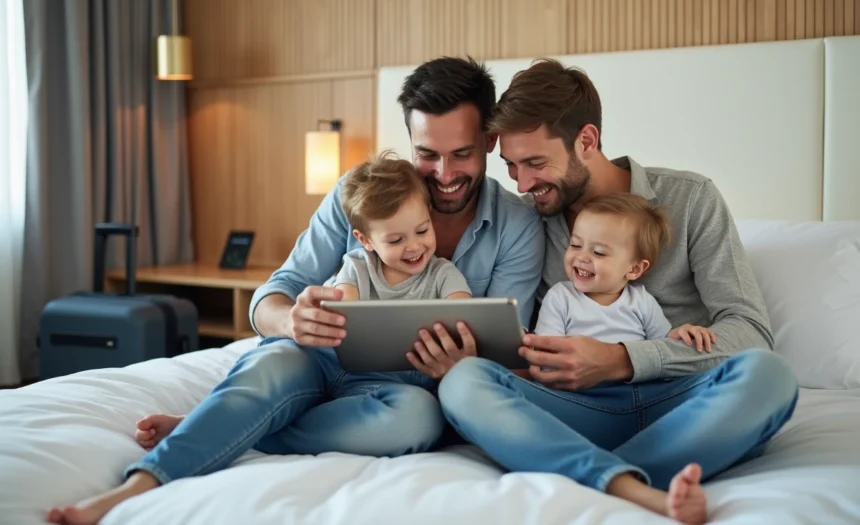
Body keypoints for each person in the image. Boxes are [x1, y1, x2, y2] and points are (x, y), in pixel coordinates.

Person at [46, 56, 545, 525]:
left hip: (398, 390)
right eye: (426, 154)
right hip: (319, 358)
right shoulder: (360, 195)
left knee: (415, 422)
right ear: (409, 140)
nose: (444, 174)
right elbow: (274, 294)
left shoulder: (518, 226)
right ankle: (138, 484)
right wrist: (291, 320)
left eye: (461, 154)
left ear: (490, 141)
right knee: (275, 363)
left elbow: (498, 349)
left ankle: (232, 425)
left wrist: (463, 362)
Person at [436, 58, 799, 525]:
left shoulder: (691, 199)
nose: (523, 185)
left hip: (684, 403)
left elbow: (750, 331)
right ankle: (632, 487)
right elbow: (523, 348)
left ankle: (595, 475)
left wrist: (623, 360)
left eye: (535, 163)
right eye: (510, 166)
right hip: (579, 410)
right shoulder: (530, 222)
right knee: (465, 383)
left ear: (586, 141)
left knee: (769, 376)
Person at [535, 192, 716, 352]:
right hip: (572, 388)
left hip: (636, 387)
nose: (581, 257)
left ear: (634, 269)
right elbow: (547, 351)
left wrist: (682, 334)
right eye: (575, 244)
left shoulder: (641, 302)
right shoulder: (560, 297)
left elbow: (661, 347)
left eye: (598, 252)